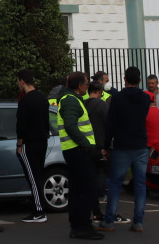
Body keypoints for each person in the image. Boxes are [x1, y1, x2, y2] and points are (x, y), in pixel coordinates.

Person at [101, 67, 149, 232]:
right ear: (140, 81)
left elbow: (111, 124)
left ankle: (109, 221)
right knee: (141, 185)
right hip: (141, 145)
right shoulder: (145, 98)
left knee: (115, 184)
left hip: (122, 145)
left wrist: (106, 146)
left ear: (124, 79)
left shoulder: (118, 98)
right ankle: (138, 222)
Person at [58, 72, 100, 240]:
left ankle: (77, 225)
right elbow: (70, 125)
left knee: (77, 189)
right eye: (86, 83)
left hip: (74, 150)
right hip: (78, 151)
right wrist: (86, 144)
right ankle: (82, 225)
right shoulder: (70, 100)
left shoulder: (71, 99)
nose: (88, 86)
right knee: (88, 188)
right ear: (79, 86)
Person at [13, 70, 48, 223]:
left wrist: (19, 144)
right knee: (38, 175)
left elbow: (21, 124)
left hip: (30, 143)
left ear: (22, 81)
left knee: (33, 178)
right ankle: (39, 207)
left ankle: (39, 211)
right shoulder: (42, 98)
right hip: (42, 141)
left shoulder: (25, 101)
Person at [84, 82, 108, 225]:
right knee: (103, 177)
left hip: (87, 147)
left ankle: (95, 211)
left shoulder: (83, 104)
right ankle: (106, 212)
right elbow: (109, 124)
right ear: (99, 91)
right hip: (100, 147)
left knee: (90, 179)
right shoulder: (102, 105)